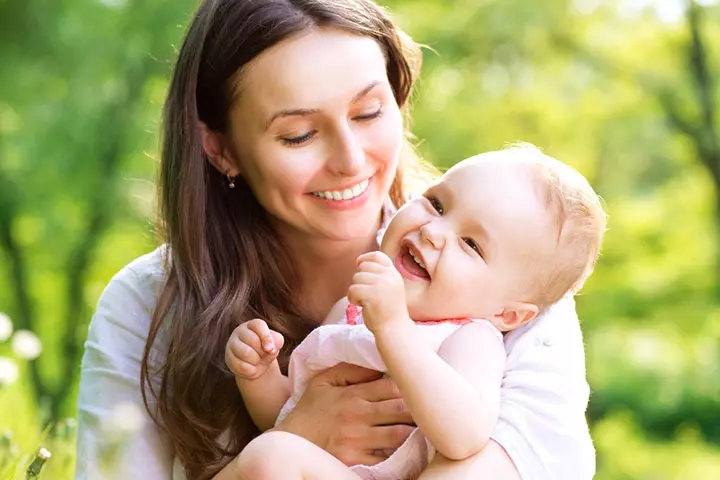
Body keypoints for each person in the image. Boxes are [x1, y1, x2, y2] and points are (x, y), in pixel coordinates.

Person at [74, 1, 597, 479]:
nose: (350, 160)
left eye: (368, 112)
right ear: (221, 149)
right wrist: (291, 429)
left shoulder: (514, 279)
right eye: (298, 134)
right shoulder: (146, 306)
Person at [221, 146, 606, 479]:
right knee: (270, 457)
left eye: (471, 245)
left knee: (269, 456)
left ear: (508, 316)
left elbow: (464, 435)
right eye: (437, 204)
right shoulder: (350, 311)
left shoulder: (468, 338)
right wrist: (259, 375)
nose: (433, 232)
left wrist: (393, 329)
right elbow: (288, 416)